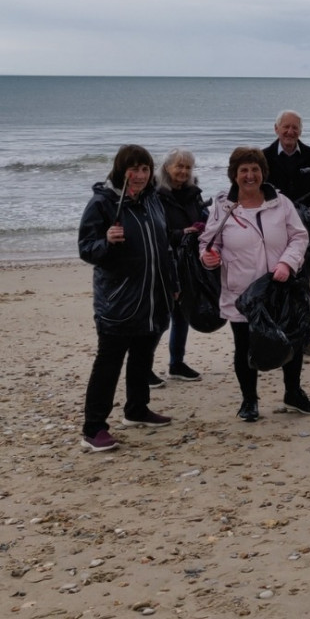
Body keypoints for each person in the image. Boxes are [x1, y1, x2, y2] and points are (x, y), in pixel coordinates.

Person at [200, 146, 310, 422]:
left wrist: (287, 263)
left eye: (255, 170)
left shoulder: (281, 202)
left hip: (280, 286)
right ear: (234, 174)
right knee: (244, 347)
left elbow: (300, 237)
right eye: (244, 170)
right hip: (241, 291)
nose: (250, 175)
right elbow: (208, 242)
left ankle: (293, 394)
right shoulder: (222, 206)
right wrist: (208, 258)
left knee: (292, 340)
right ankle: (249, 401)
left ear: (263, 172)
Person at [78, 145, 175, 452]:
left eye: (145, 169)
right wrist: (106, 241)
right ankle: (93, 429)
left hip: (154, 297)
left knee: (143, 357)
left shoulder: (153, 201)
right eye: (133, 169)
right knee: (108, 363)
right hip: (118, 301)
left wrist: (171, 284)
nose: (140, 175)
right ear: (121, 171)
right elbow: (87, 249)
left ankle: (137, 409)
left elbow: (165, 246)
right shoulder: (103, 204)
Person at [263, 110, 310, 358]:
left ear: (300, 130)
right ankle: (274, 340)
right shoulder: (263, 157)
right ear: (276, 128)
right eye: (286, 127)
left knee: (301, 287)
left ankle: (304, 339)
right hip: (270, 236)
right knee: (272, 288)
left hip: (303, 235)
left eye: (295, 128)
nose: (290, 132)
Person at [153, 148, 207, 383]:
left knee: (182, 314)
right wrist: (179, 233)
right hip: (165, 262)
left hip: (188, 262)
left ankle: (177, 363)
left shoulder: (193, 192)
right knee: (161, 318)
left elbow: (203, 217)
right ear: (167, 168)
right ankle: (142, 367)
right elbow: (154, 232)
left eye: (187, 167)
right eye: (179, 166)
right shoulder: (155, 194)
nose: (184, 171)